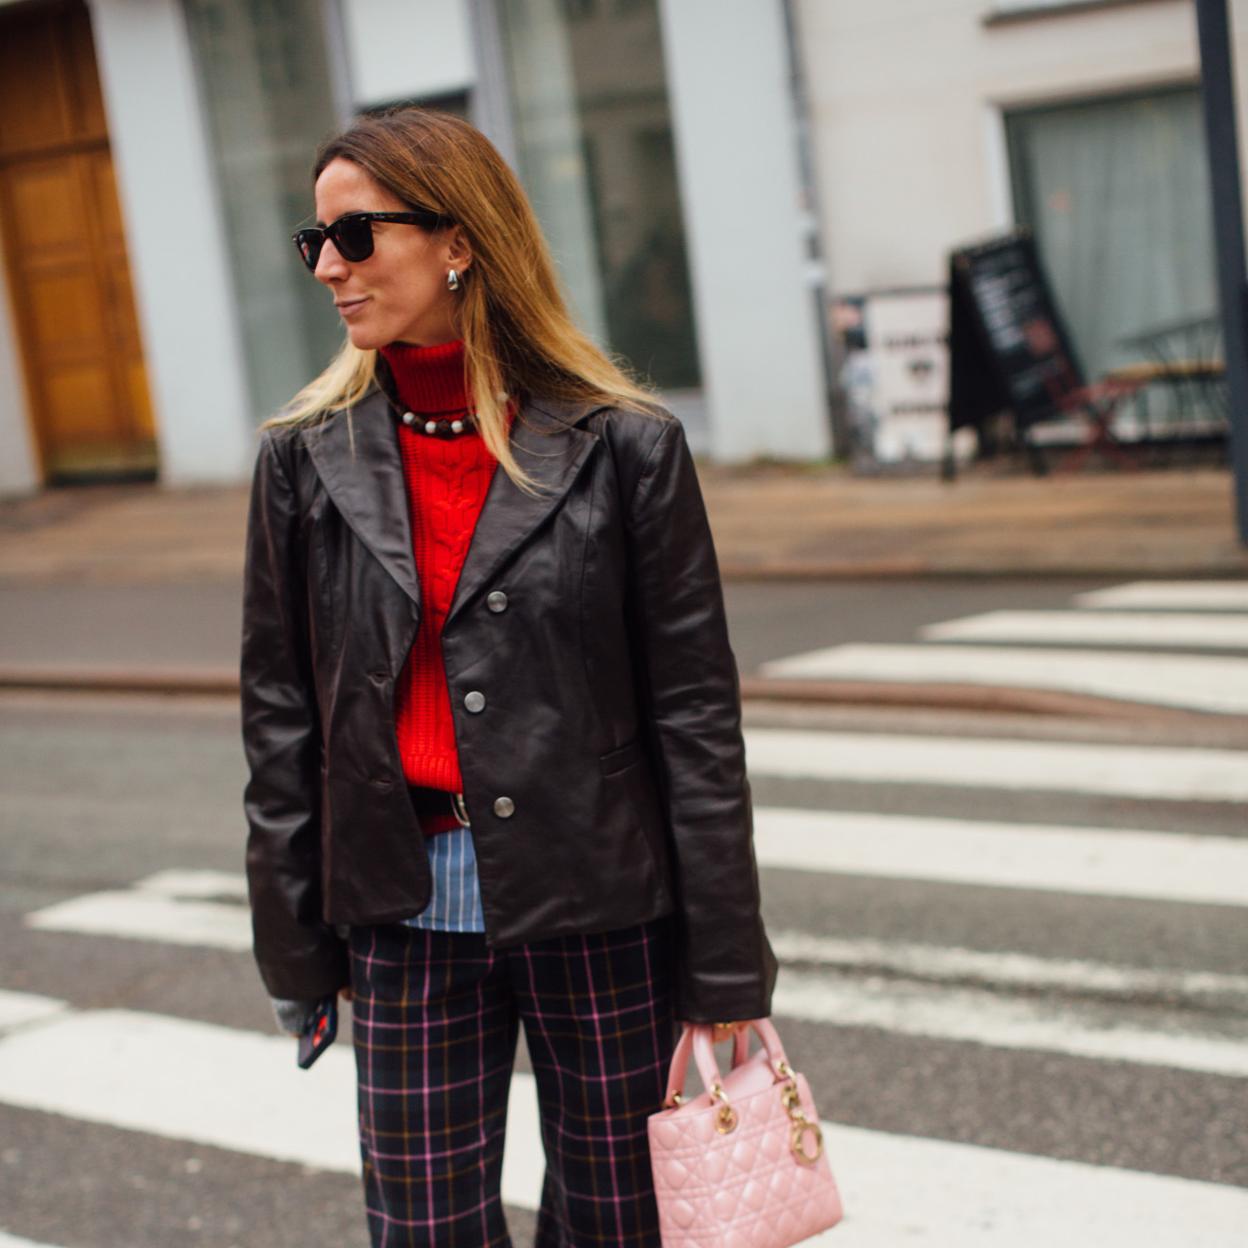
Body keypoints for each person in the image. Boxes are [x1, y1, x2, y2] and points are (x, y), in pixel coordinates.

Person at [239, 106, 777, 1248]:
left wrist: (727, 963)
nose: (328, 267)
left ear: (460, 241)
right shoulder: (301, 460)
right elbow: (281, 720)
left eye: (356, 235)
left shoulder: (625, 447)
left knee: (618, 1222)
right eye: (315, 240)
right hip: (401, 909)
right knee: (424, 1230)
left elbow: (694, 718)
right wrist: (294, 944)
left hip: (601, 900)